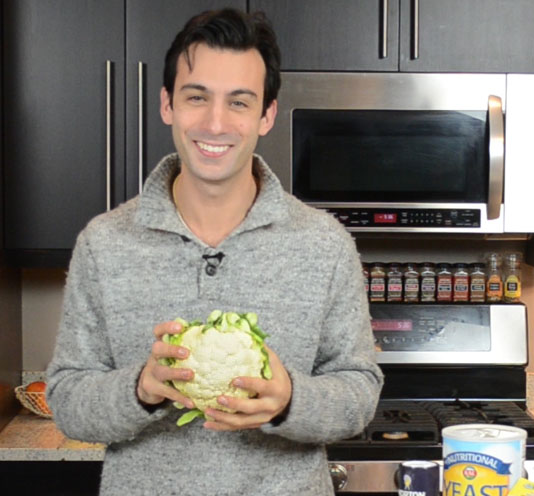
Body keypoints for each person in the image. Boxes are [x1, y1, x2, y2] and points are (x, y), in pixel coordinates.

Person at [45, 8, 383, 495]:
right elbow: (68, 399)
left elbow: (359, 392)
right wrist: (140, 389)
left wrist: (290, 400)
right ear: (167, 104)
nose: (215, 122)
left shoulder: (324, 243)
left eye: (239, 102)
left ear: (266, 114)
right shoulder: (104, 243)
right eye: (196, 97)